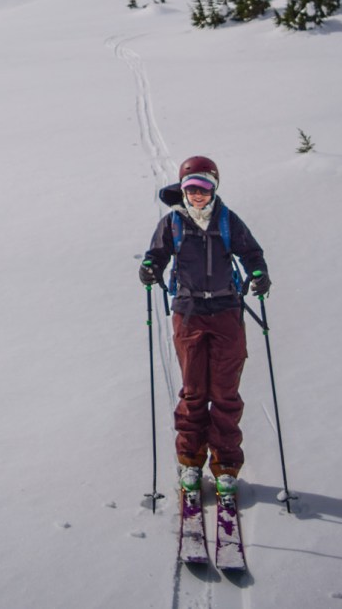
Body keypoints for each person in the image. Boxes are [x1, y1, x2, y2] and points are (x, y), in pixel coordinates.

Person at [139, 155, 271, 499]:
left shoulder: (228, 221)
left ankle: (226, 465)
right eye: (191, 188)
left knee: (225, 393)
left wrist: (259, 273)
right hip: (190, 312)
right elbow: (156, 254)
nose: (198, 195)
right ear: (182, 190)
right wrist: (150, 268)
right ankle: (190, 460)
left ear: (214, 188)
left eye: (204, 188)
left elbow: (251, 253)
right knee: (194, 391)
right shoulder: (173, 223)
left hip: (227, 311)